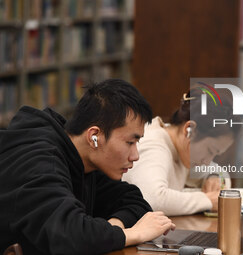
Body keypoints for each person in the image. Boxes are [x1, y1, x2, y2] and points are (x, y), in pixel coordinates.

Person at [0, 79, 175, 255]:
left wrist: (113, 227)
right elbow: (70, 235)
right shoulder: (40, 161)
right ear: (94, 136)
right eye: (130, 142)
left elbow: (135, 202)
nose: (135, 155)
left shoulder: (84, 160)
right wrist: (132, 234)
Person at [122, 87, 239, 216]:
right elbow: (153, 200)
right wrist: (207, 200)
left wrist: (214, 177)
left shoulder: (182, 148)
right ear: (189, 130)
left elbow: (221, 173)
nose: (207, 162)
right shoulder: (154, 146)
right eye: (210, 151)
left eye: (215, 155)